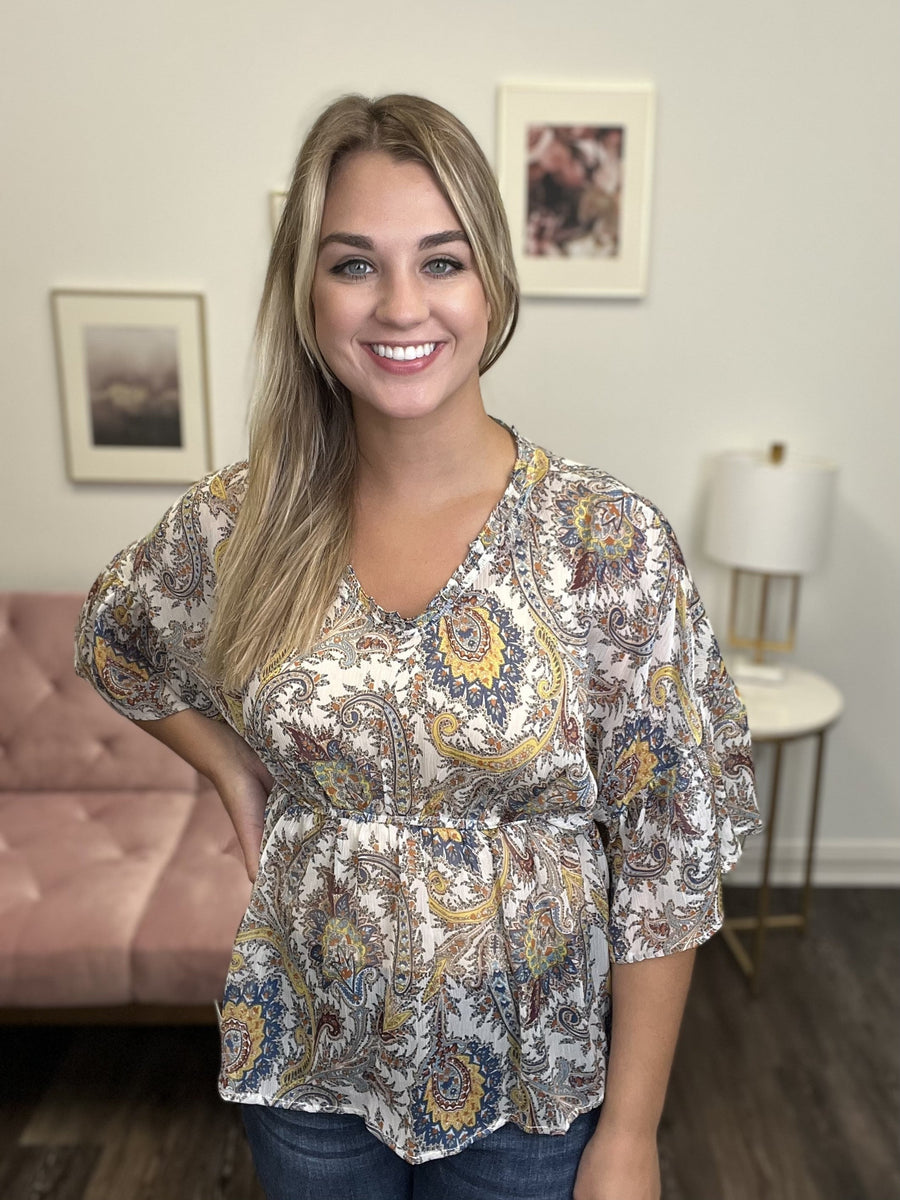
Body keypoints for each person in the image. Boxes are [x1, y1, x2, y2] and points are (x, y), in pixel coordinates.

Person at [75, 93, 761, 1200]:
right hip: (308, 1058)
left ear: (493, 283)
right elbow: (117, 639)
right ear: (307, 294)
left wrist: (631, 1134)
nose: (401, 305)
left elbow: (665, 859)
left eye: (441, 261)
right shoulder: (245, 520)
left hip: (533, 1095)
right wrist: (231, 770)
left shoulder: (603, 542)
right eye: (355, 264)